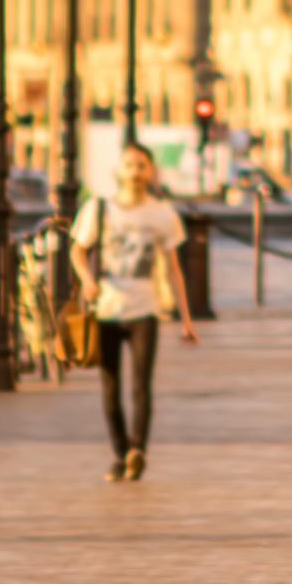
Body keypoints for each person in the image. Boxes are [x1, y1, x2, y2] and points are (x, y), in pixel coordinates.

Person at [70, 140, 199, 479]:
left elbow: (174, 269)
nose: (136, 172)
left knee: (142, 385)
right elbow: (78, 251)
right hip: (106, 309)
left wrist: (186, 319)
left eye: (142, 165)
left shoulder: (162, 214)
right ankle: (119, 452)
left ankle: (137, 450)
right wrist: (86, 280)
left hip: (145, 310)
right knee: (110, 386)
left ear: (151, 171)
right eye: (130, 165)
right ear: (118, 171)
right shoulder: (99, 209)